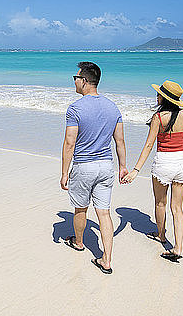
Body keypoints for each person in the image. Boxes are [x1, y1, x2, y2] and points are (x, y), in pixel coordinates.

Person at [61, 61, 128, 274]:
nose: (74, 81)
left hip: (84, 166)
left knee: (81, 208)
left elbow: (70, 142)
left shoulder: (75, 108)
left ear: (84, 81)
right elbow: (120, 141)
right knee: (104, 213)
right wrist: (123, 167)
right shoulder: (112, 106)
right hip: (106, 166)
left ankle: (79, 242)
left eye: (76, 77)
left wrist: (64, 173)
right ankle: (106, 259)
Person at [122, 80, 183, 262]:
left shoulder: (158, 118)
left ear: (164, 97)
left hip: (165, 162)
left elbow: (148, 145)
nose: (157, 96)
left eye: (159, 93)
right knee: (177, 208)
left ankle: (161, 236)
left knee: (160, 204)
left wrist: (136, 171)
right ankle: (178, 246)